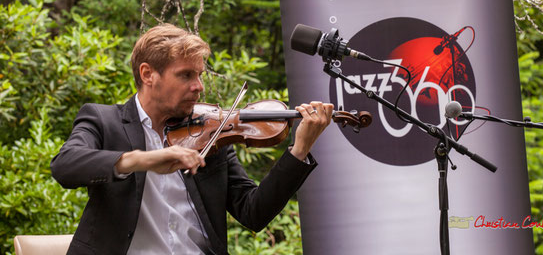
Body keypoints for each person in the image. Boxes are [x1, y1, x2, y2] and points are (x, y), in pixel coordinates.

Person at [51, 23, 333, 255]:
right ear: (148, 74)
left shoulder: (209, 133)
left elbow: (253, 212)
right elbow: (65, 165)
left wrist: (299, 149)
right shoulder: (104, 120)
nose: (198, 86)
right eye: (186, 75)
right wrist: (145, 159)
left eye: (199, 74)